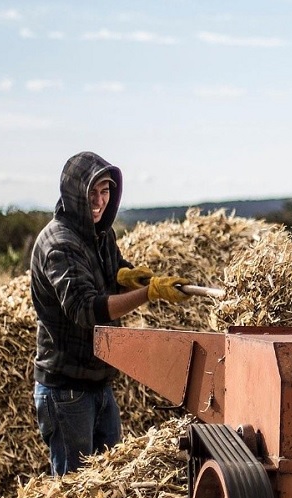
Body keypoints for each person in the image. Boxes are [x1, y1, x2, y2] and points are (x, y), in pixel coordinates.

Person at [30, 151, 192, 476]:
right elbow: (86, 309)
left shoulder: (100, 233)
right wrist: (148, 293)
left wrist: (129, 275)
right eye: (92, 191)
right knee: (74, 491)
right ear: (73, 192)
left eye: (105, 191)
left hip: (98, 381)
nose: (99, 200)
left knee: (106, 482)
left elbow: (113, 268)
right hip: (66, 389)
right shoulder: (59, 244)